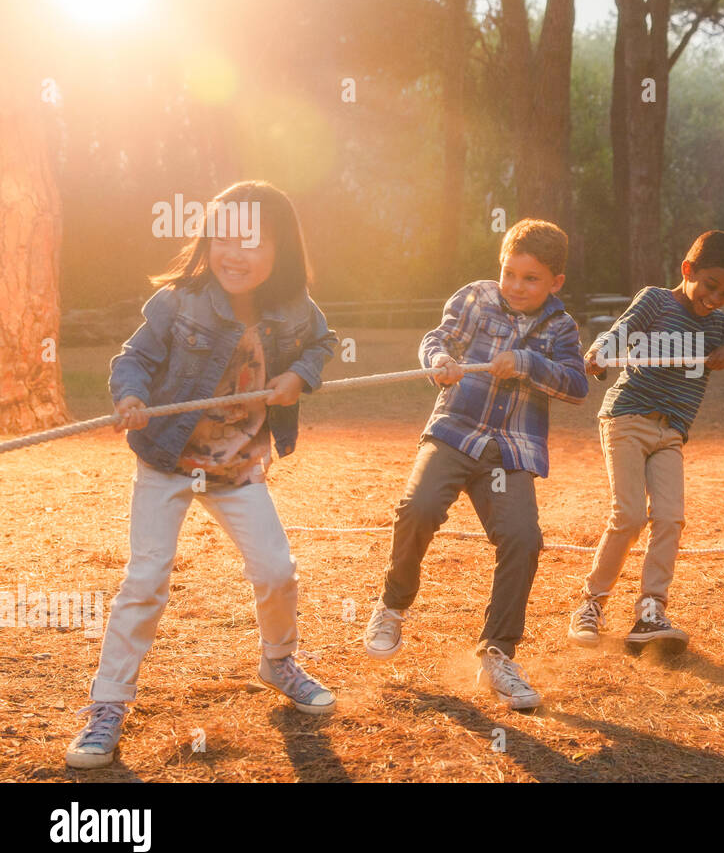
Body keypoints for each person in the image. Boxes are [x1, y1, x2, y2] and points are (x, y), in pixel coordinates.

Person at [67, 180, 338, 769]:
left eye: (252, 241)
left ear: (280, 250)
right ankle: (108, 702)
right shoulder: (178, 301)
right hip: (168, 462)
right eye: (223, 237)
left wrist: (302, 377)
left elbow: (323, 343)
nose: (233, 253)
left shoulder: (295, 309)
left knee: (276, 571)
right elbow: (133, 359)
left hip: (237, 466)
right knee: (145, 580)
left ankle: (278, 661)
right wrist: (131, 396)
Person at [363, 218, 587, 710]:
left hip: (508, 452)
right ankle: (393, 605)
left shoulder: (562, 327)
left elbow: (576, 385)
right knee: (418, 506)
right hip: (455, 433)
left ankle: (497, 654)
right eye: (511, 273)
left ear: (555, 282)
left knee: (523, 539)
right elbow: (436, 339)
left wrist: (528, 363)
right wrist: (439, 360)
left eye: (531, 278)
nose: (517, 286)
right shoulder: (476, 298)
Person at [568, 230, 724, 651]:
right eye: (710, 286)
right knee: (630, 517)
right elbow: (619, 333)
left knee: (670, 518)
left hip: (671, 432)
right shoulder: (656, 300)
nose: (717, 298)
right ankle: (591, 604)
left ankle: (650, 612)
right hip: (627, 418)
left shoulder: (719, 325)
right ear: (688, 270)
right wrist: (598, 359)